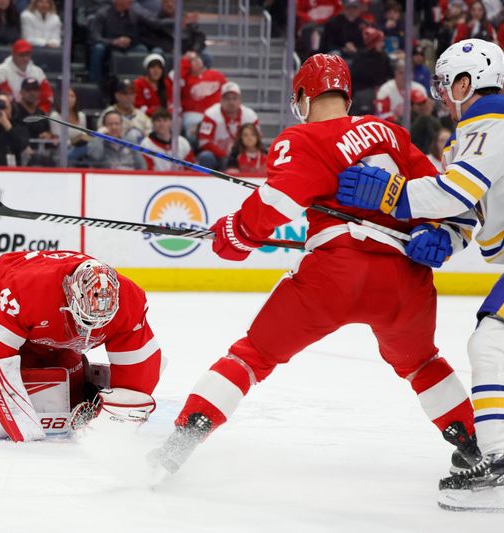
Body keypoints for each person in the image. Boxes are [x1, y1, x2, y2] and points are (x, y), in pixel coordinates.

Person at [150, 54, 479, 484]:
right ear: (345, 93)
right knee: (422, 363)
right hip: (404, 280)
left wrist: (235, 233)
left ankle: (180, 443)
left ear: (304, 95)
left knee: (253, 355)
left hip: (335, 274)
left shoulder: (302, 137)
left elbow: (277, 203)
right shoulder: (393, 134)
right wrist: (443, 234)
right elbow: (443, 195)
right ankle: (475, 448)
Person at [335, 39, 504, 512]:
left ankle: (502, 463)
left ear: (466, 82)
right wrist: (445, 239)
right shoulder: (477, 134)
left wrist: (391, 193)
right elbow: (467, 208)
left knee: (493, 343)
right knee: (496, 341)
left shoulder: (495, 113)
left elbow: (456, 189)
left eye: (444, 82)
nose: (439, 92)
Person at [0, 250, 162, 441]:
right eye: (86, 321)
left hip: (52, 319)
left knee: (67, 383)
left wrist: (125, 407)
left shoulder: (129, 301)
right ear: (70, 293)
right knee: (30, 377)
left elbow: (138, 365)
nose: (90, 331)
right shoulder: (25, 291)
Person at [87, 0, 161, 84]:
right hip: (108, 45)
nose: (131, 1)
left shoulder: (133, 13)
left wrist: (129, 40)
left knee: (141, 49)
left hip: (128, 45)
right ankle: (95, 81)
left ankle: (140, 83)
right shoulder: (103, 13)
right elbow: (95, 37)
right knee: (98, 48)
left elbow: (154, 23)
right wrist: (113, 41)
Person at [196, 82, 259, 171]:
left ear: (240, 100)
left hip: (242, 155)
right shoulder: (211, 115)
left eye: (234, 98)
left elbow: (257, 140)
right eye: (227, 98)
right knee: (206, 156)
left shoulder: (250, 116)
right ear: (221, 100)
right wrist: (225, 155)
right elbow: (204, 142)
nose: (231, 102)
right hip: (217, 156)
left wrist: (239, 156)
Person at [0, 39, 55, 114]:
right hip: (13, 114)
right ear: (13, 54)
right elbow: (7, 97)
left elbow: (47, 96)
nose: (26, 59)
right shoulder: (1, 71)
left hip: (35, 113)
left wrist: (39, 114)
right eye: (22, 55)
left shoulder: (38, 71)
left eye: (28, 54)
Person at [179, 51, 227, 142]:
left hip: (215, 114)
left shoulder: (216, 75)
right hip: (193, 115)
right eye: (191, 60)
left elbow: (228, 92)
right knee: (194, 130)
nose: (196, 61)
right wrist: (185, 62)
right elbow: (177, 83)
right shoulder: (186, 79)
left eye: (197, 58)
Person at [11, 77, 56, 166]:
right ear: (21, 92)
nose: (32, 93)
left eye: (35, 90)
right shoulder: (14, 110)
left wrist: (47, 135)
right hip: (18, 154)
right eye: (28, 90)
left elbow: (48, 132)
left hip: (39, 154)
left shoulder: (41, 113)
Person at [97, 78, 152, 143]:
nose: (129, 97)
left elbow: (150, 137)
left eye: (131, 93)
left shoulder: (141, 115)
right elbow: (101, 139)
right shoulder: (107, 114)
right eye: (125, 94)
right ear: (117, 95)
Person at [375, 60, 429, 125]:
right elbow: (382, 115)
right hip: (392, 127)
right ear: (395, 73)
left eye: (408, 73)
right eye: (401, 73)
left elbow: (426, 113)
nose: (405, 76)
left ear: (413, 74)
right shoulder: (385, 90)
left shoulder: (419, 89)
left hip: (416, 126)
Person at [49, 87, 90, 166]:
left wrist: (85, 138)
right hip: (62, 151)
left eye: (72, 96)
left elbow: (85, 136)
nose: (70, 99)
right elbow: (58, 141)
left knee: (93, 146)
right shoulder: (55, 116)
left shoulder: (81, 116)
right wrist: (74, 140)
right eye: (67, 96)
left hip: (81, 149)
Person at [350, 28, 393, 94]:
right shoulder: (360, 58)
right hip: (364, 92)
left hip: (381, 89)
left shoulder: (383, 56)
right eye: (380, 42)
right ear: (373, 44)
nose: (383, 44)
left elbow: (390, 73)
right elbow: (357, 80)